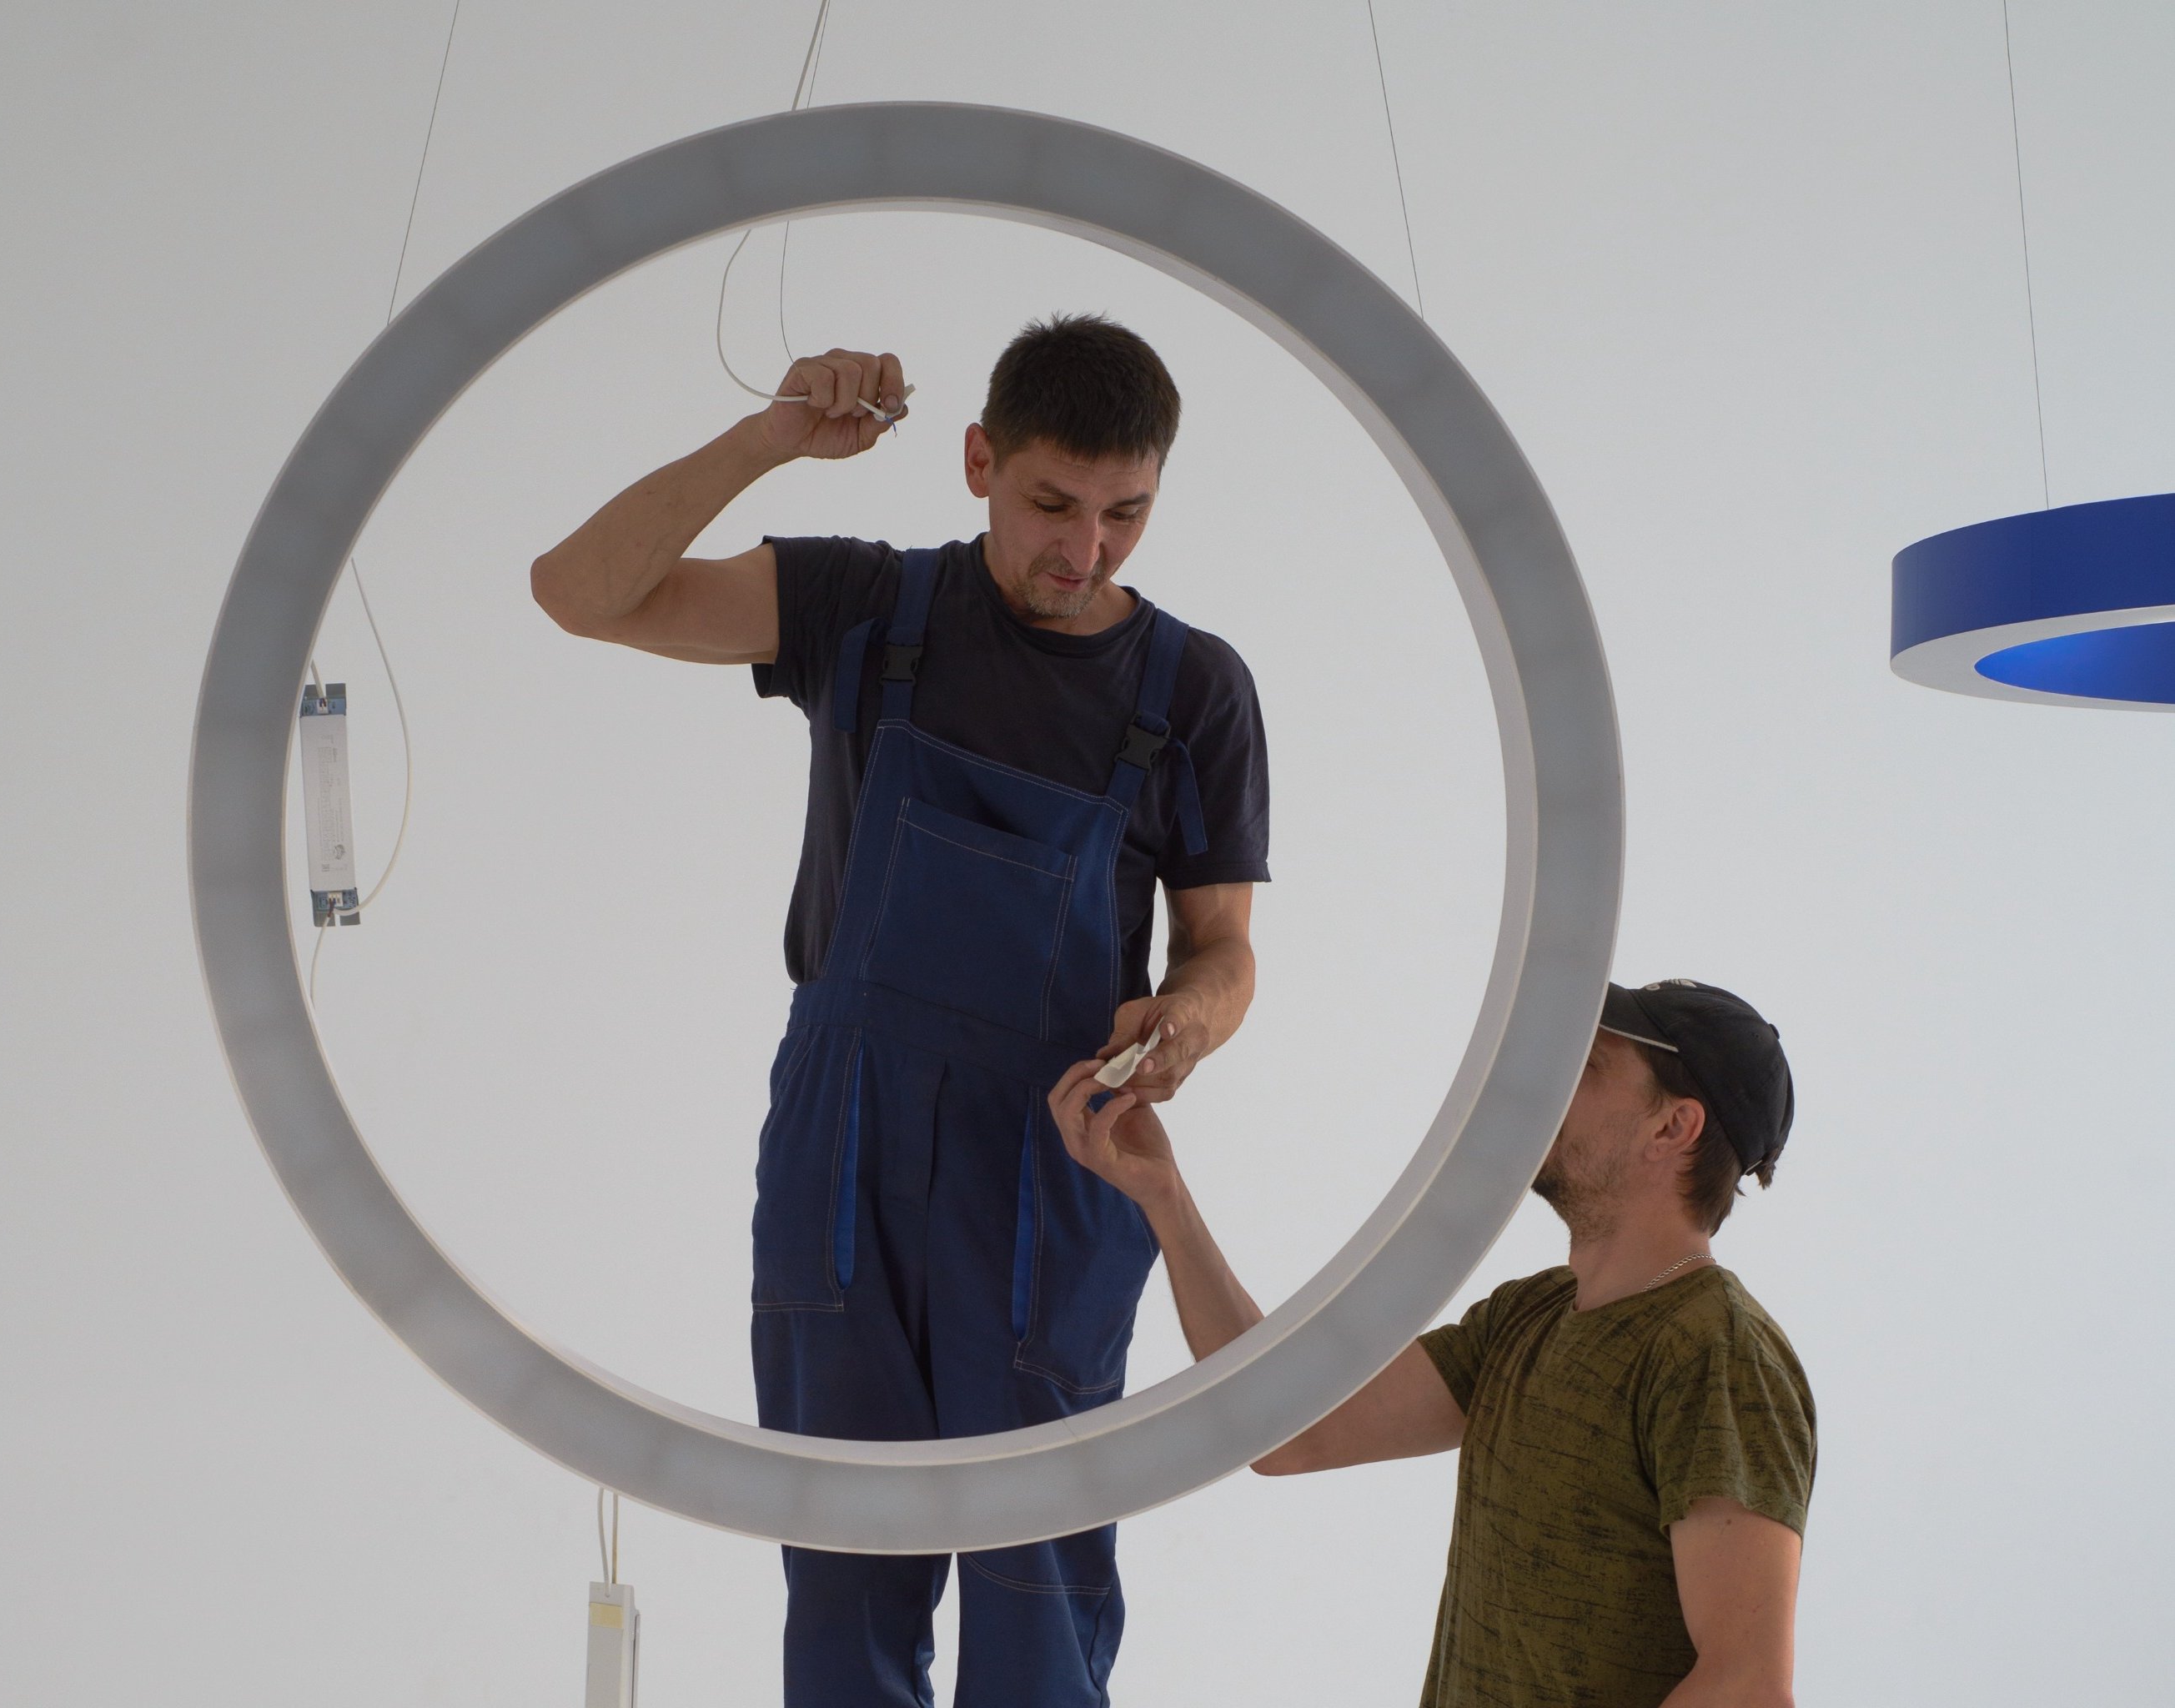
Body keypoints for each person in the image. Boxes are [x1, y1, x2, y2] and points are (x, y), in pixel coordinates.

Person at [531, 314, 1271, 1705]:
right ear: (979, 460)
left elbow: (1224, 950)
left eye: (1125, 514)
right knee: (844, 1589)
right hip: (845, 1148)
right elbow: (577, 591)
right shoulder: (863, 605)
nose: (1086, 550)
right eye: (1052, 503)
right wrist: (766, 441)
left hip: (1056, 1162)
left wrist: (1184, 1019)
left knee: (1037, 1592)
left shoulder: (1193, 691)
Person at [1048, 978, 1813, 1708]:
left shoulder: (1713, 1349)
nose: (1549, 1081)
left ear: (1672, 1127)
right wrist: (1164, 1194)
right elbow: (1287, 1432)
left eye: (1587, 1068)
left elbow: (1745, 1687)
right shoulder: (1531, 1316)